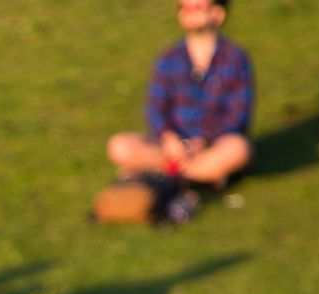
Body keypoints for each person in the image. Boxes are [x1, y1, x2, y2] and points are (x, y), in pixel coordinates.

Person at [106, 0, 254, 188]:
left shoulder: (235, 58)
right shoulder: (169, 57)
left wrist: (202, 142)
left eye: (197, 8)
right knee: (120, 146)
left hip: (213, 145)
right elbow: (155, 108)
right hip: (172, 148)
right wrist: (169, 138)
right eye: (184, 8)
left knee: (238, 149)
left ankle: (168, 175)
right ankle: (202, 175)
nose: (189, 13)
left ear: (218, 14)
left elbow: (237, 115)